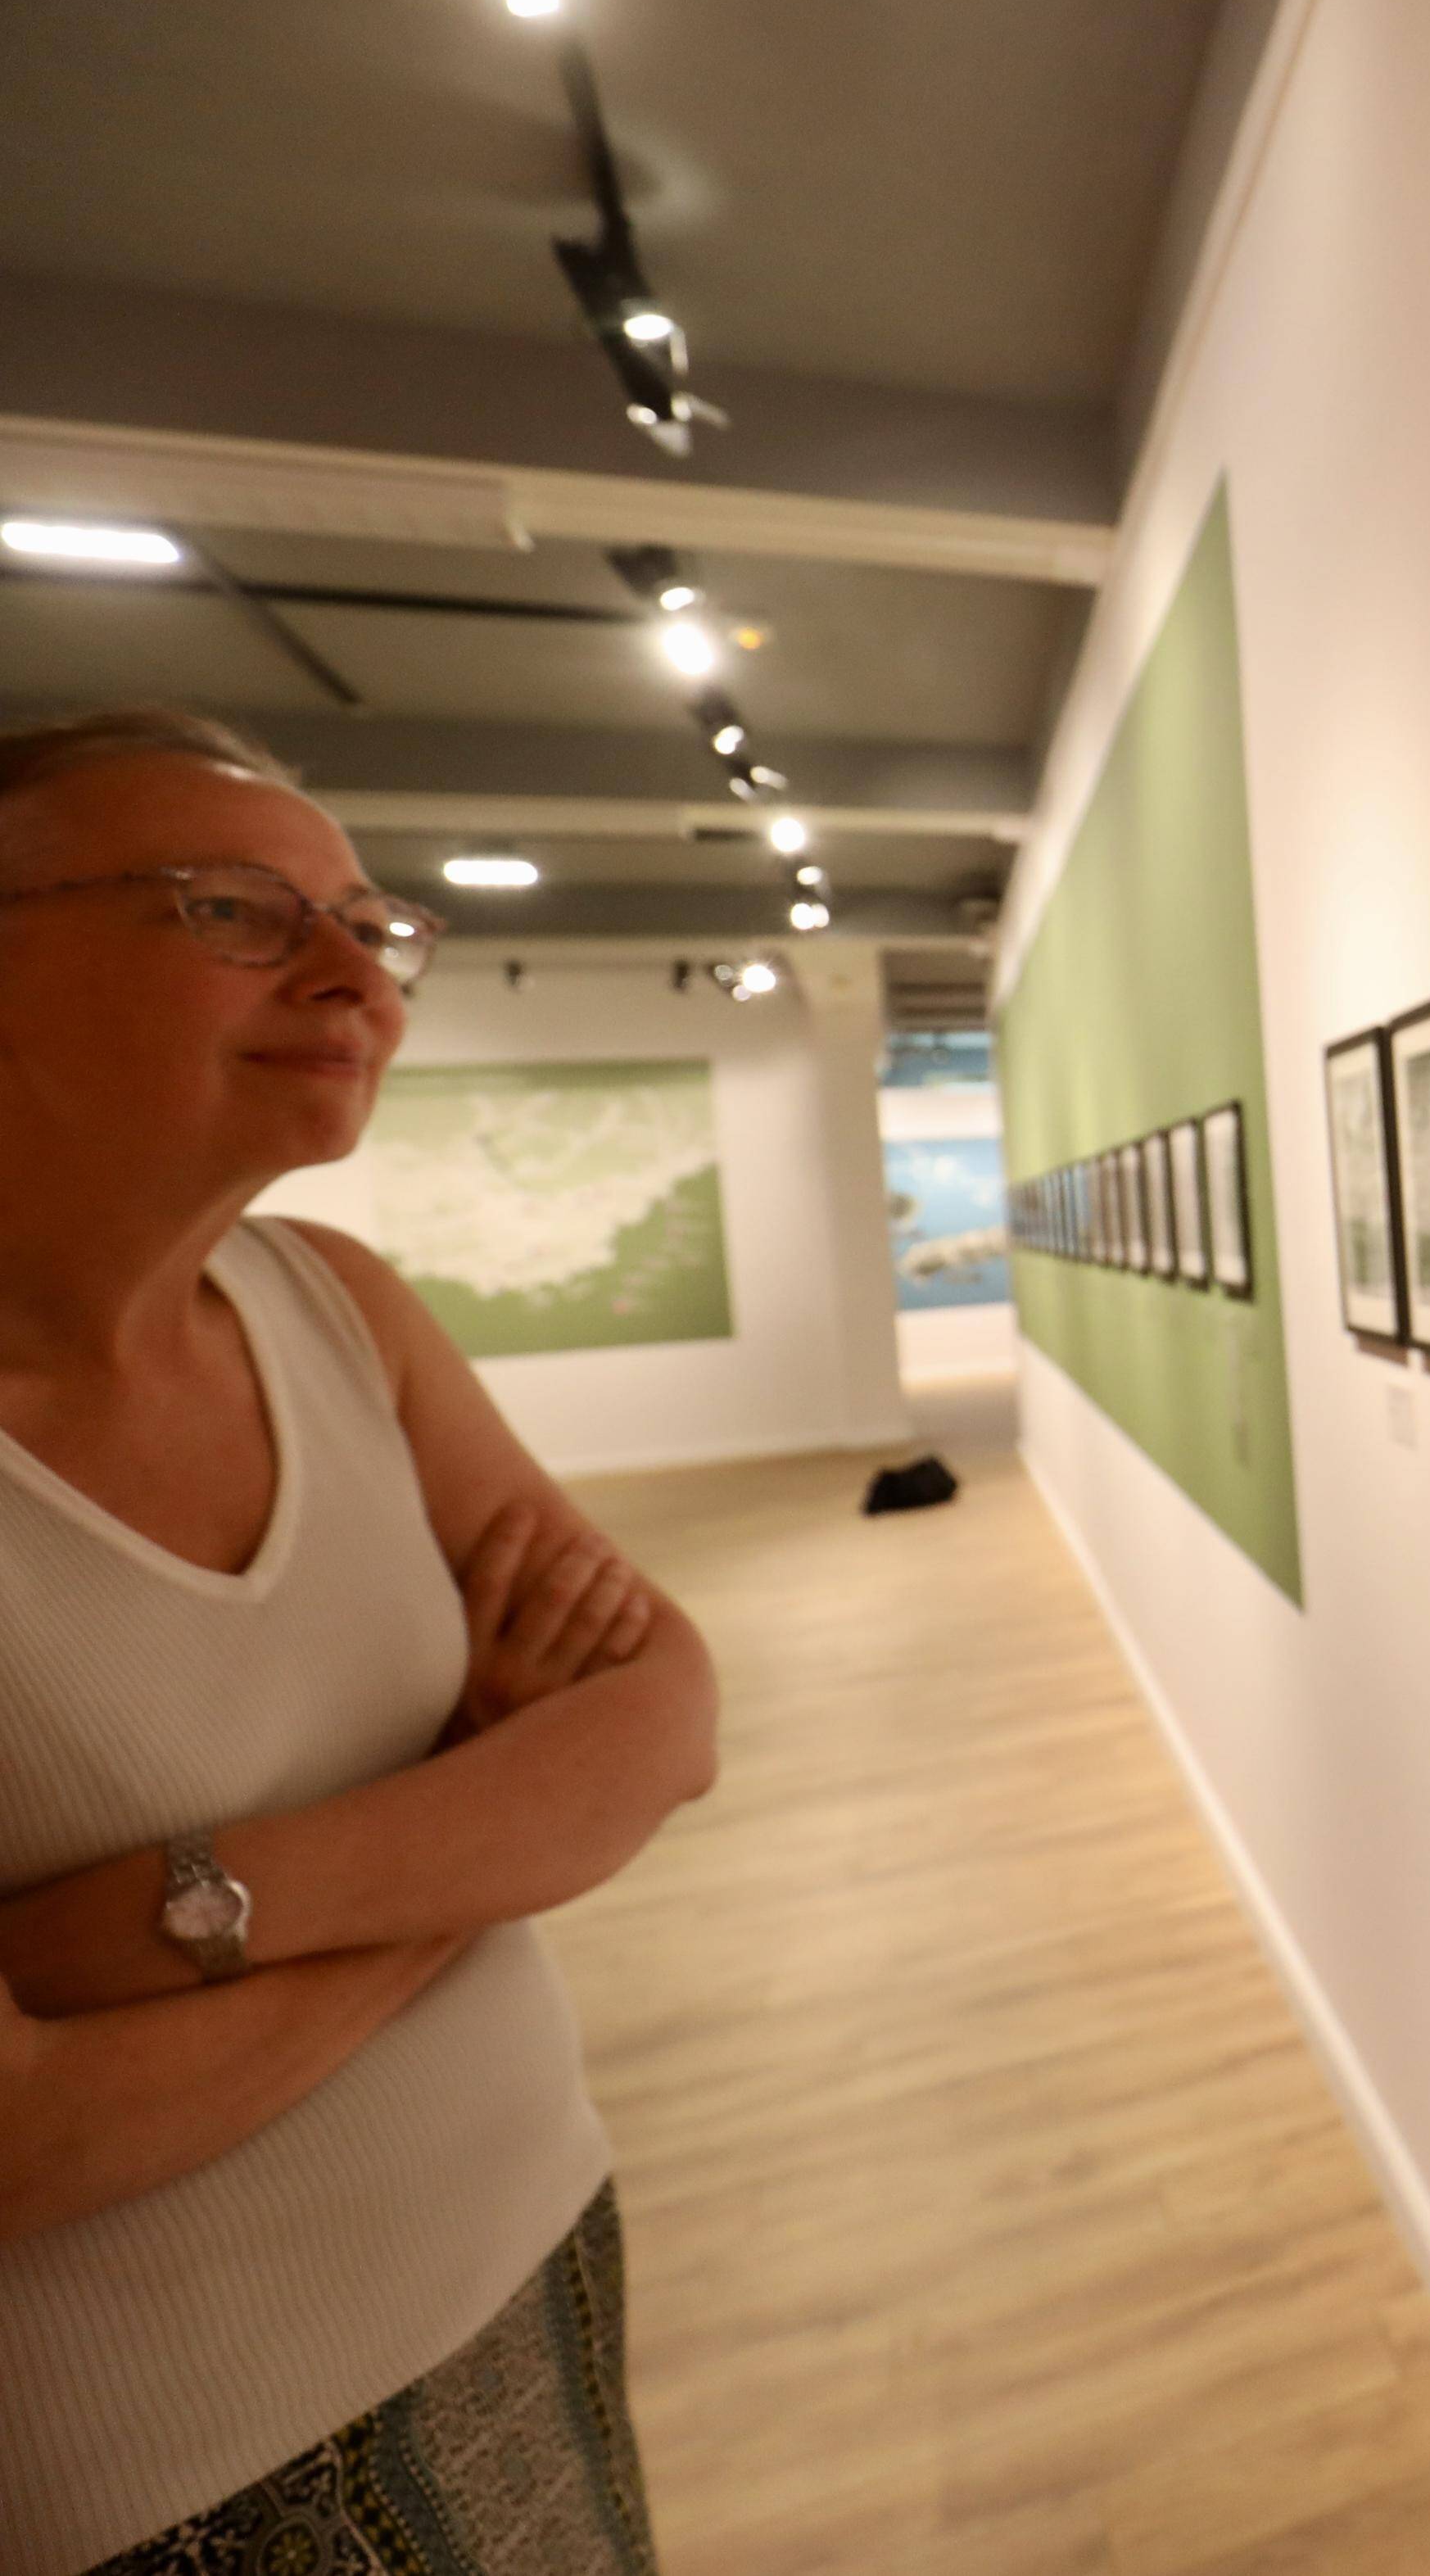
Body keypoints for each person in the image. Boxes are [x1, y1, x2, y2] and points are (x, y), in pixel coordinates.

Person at [0, 707, 716, 2574]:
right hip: (167, 2472)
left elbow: (663, 1713)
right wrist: (490, 1816)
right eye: (230, 910)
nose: (352, 981)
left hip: (534, 2244)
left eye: (368, 925)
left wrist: (191, 1907)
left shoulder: (339, 1308)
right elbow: (22, 2145)